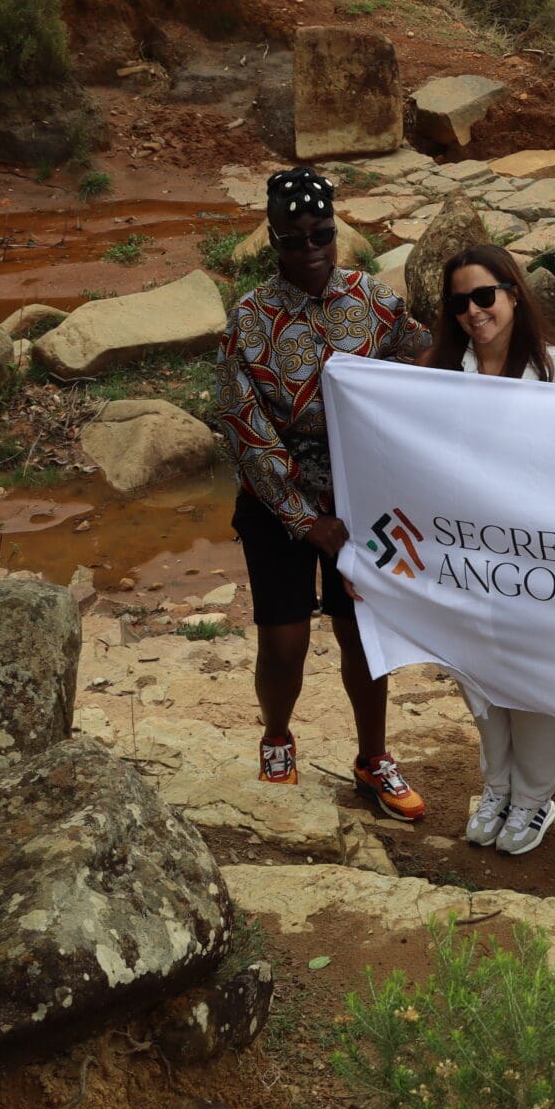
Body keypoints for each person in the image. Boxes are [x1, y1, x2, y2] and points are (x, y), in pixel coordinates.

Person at [216, 165, 431, 820]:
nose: (310, 249)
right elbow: (244, 426)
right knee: (284, 642)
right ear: (273, 239)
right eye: (294, 237)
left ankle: (373, 759)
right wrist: (305, 520)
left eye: (322, 234)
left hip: (361, 502)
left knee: (362, 635)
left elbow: (427, 357)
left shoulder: (373, 301)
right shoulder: (248, 321)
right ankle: (277, 734)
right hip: (276, 503)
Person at [426, 244, 555, 855]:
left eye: (484, 296)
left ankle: (534, 799)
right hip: (469, 559)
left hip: (541, 560)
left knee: (534, 677)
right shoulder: (440, 373)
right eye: (460, 302)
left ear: (514, 293)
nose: (473, 311)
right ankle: (495, 787)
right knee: (481, 676)